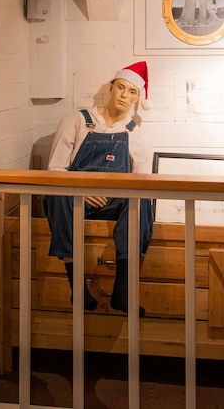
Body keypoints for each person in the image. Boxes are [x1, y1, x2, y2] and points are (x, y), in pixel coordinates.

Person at [43, 62, 155, 315]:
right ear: (111, 87)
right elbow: (55, 169)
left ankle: (123, 290)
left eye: (132, 92)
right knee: (57, 191)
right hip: (73, 199)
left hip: (112, 202)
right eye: (121, 87)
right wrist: (80, 191)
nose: (124, 95)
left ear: (137, 98)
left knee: (142, 200)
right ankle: (77, 285)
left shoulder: (136, 135)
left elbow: (142, 182)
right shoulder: (77, 120)